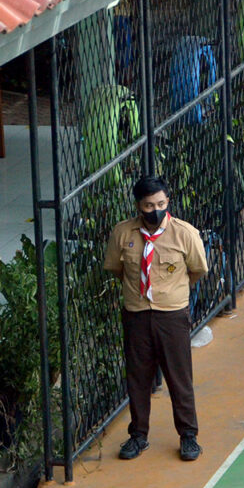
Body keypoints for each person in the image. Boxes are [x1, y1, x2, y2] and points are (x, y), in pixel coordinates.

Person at [104, 175, 208, 461]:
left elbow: (197, 270)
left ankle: (188, 435)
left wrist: (172, 294)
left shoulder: (184, 233)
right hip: (136, 313)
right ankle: (138, 435)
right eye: (149, 205)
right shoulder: (123, 233)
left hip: (171, 314)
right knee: (137, 377)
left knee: (179, 376)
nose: (155, 210)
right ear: (139, 206)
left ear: (168, 202)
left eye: (161, 204)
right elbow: (116, 268)